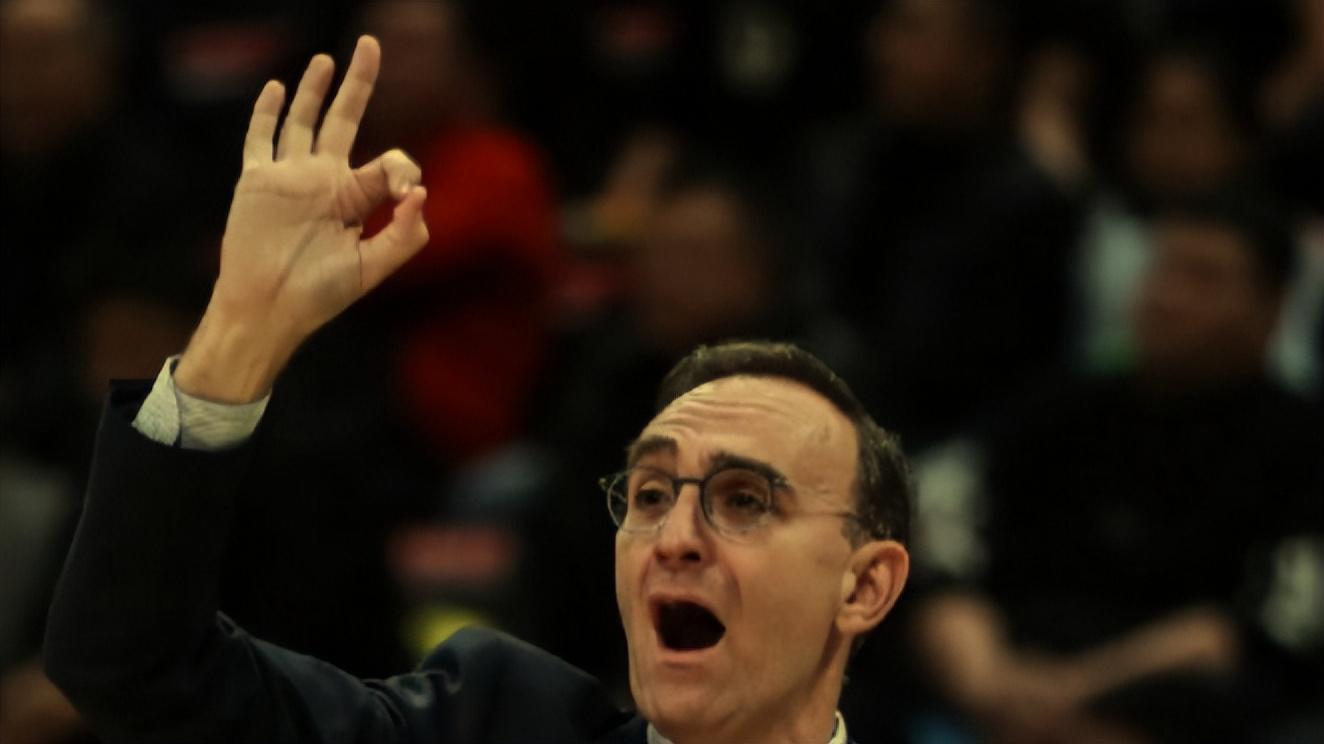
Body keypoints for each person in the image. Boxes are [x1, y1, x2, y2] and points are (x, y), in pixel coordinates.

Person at [43, 37, 913, 744]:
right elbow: (133, 668)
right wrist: (238, 335)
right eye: (650, 495)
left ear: (865, 586)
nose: (674, 539)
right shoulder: (497, 722)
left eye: (745, 500)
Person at [912, 192, 1323, 743]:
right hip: (997, 685)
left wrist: (1074, 691)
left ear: (1271, 307)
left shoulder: (1302, 445)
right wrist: (985, 681)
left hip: (1175, 710)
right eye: (1162, 269)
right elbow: (944, 528)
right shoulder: (1059, 407)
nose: (1168, 298)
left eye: (1204, 278)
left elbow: (1260, 636)